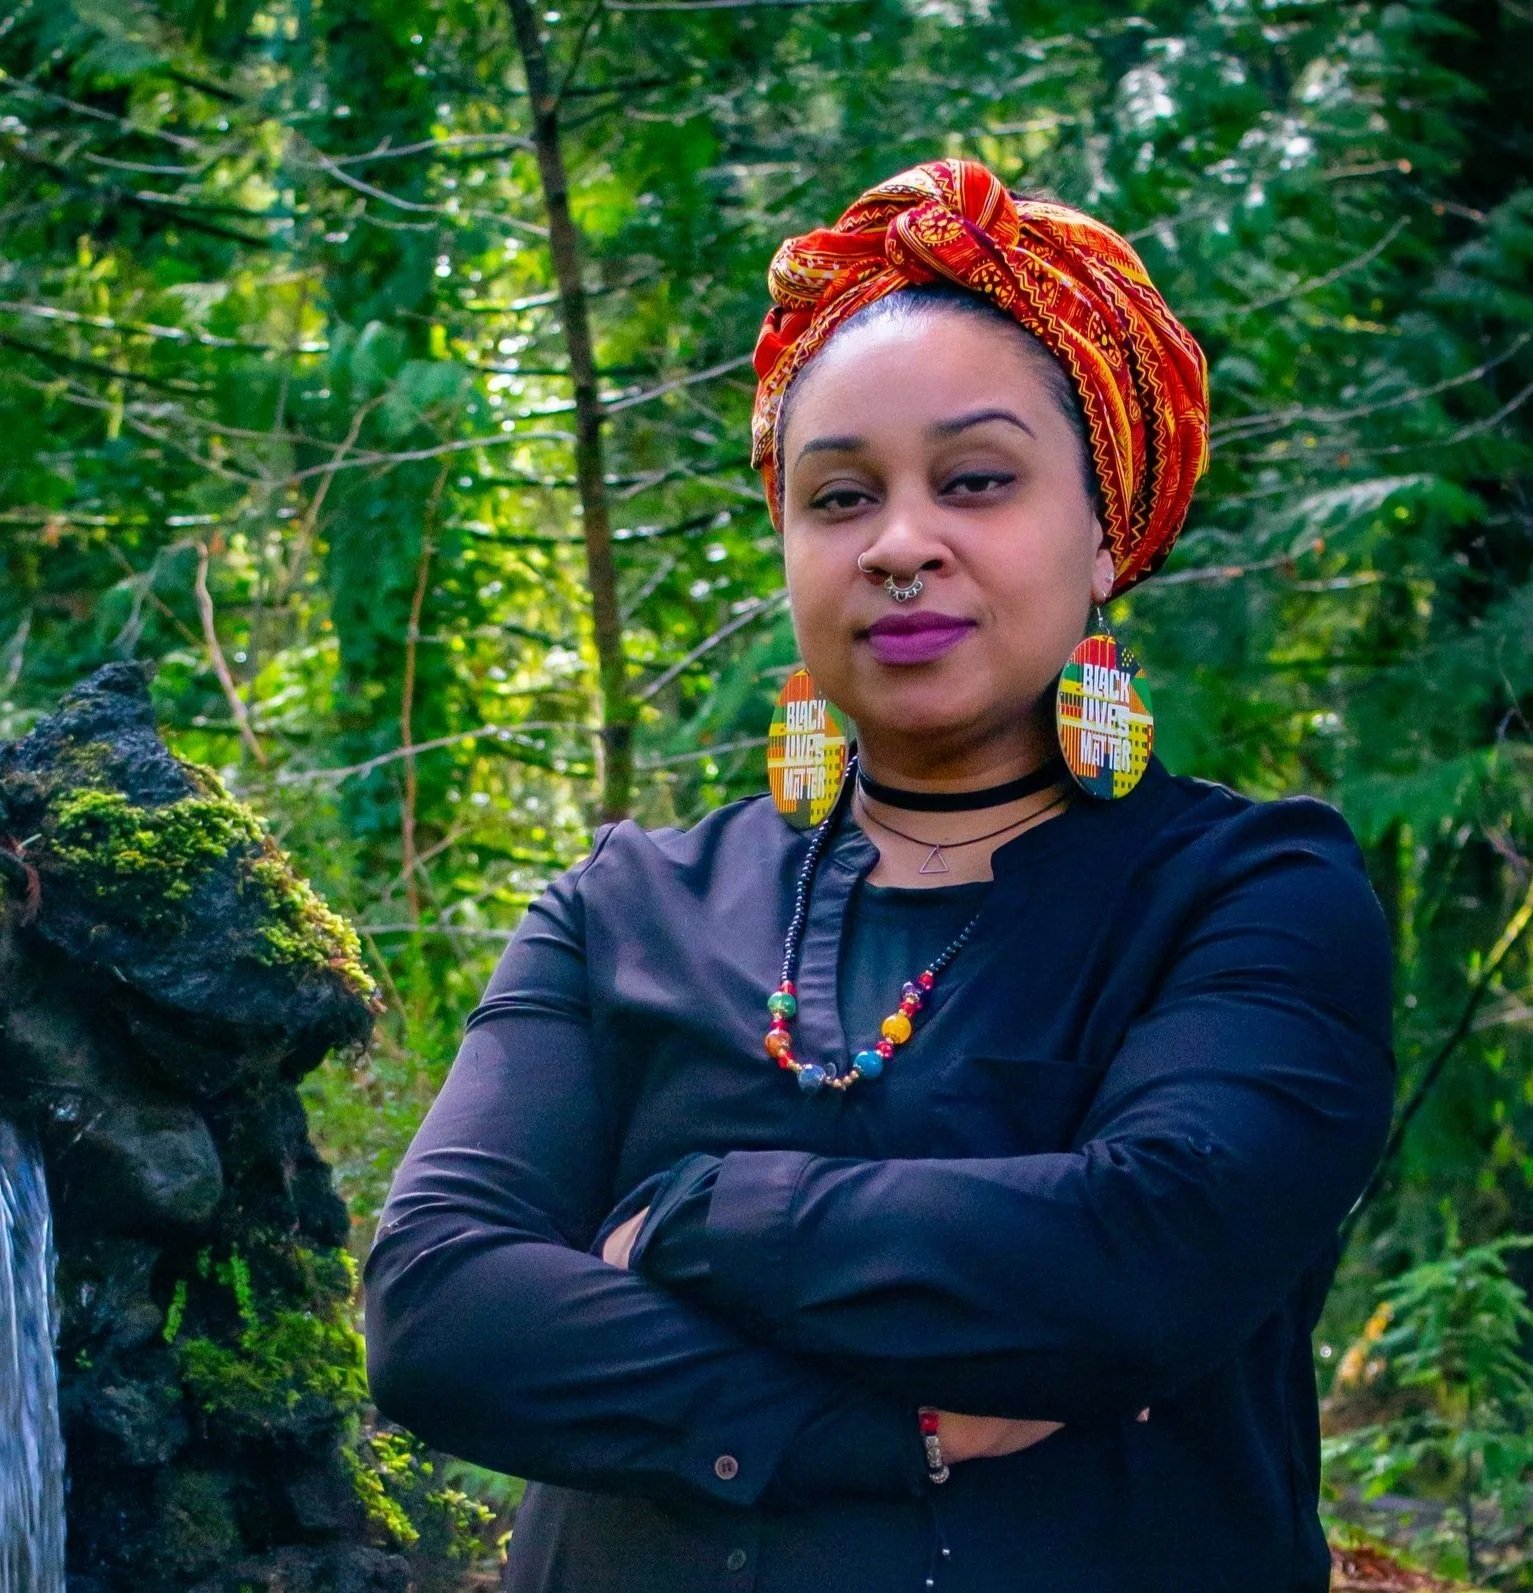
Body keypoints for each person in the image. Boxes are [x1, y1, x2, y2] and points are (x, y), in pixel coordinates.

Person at [363, 159, 1395, 1593]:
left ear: (1106, 532)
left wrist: (693, 1216)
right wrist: (874, 1430)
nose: (901, 544)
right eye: (839, 496)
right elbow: (436, 1311)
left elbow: (1147, 1260)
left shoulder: (1247, 894)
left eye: (975, 482)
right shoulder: (629, 905)